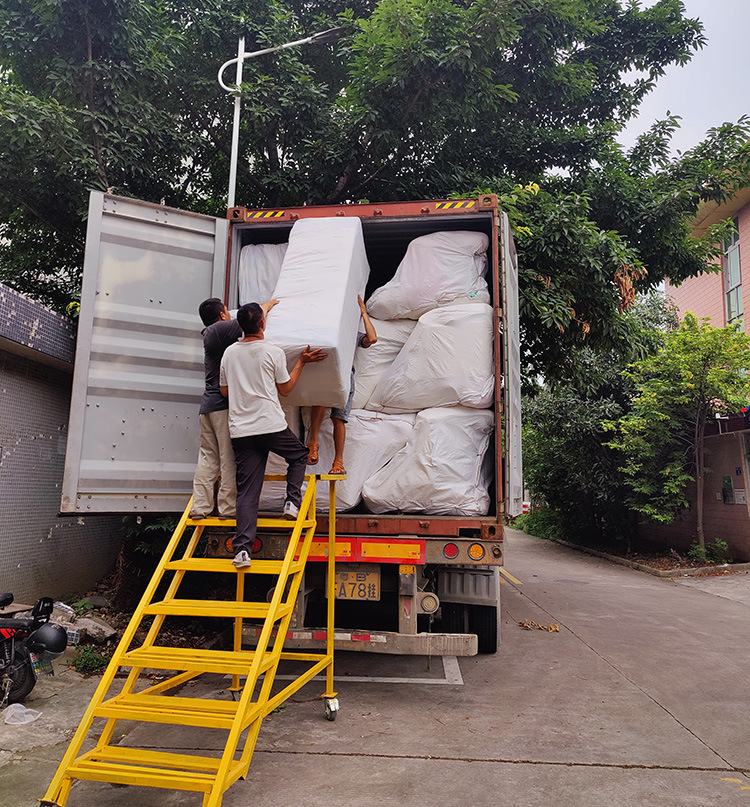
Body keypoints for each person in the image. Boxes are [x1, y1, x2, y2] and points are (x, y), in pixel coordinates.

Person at [220, 302, 327, 569]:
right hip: (269, 425)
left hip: (241, 431)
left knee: (247, 493)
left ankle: (242, 550)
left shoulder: (229, 354)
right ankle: (291, 501)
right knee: (300, 455)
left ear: (240, 326)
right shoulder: (273, 352)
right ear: (263, 325)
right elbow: (287, 389)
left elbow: (224, 392)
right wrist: (301, 362)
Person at [190, 296, 277, 519]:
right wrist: (269, 304)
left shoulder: (210, 335)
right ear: (221, 316)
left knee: (208, 458)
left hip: (207, 407)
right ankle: (228, 509)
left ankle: (200, 507)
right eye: (227, 312)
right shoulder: (219, 330)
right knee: (229, 458)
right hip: (221, 407)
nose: (229, 315)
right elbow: (252, 317)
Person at [306, 294, 377, 474]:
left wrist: (363, 313)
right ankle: (312, 443)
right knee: (321, 398)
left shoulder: (352, 334)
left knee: (339, 417)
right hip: (326, 372)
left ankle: (338, 463)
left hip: (345, 374)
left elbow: (372, 338)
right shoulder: (326, 331)